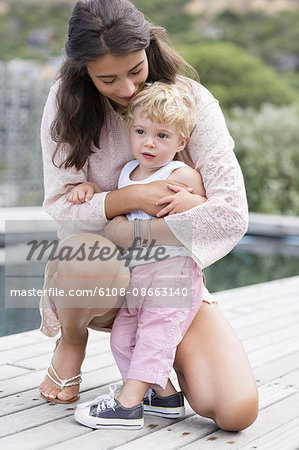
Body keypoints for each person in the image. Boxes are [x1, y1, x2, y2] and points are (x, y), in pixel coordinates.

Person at [39, 0, 258, 431]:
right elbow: (60, 204)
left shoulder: (190, 101)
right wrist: (132, 197)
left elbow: (231, 213)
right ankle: (72, 339)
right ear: (84, 70)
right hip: (95, 277)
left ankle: (160, 391)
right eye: (108, 79)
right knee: (88, 253)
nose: (127, 89)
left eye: (135, 70)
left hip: (166, 279)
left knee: (235, 410)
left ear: (148, 48)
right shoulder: (66, 104)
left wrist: (126, 231)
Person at [67, 81, 206, 429]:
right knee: (123, 337)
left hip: (171, 272)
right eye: (142, 131)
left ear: (181, 142)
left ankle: (128, 405)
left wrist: (195, 202)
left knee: (156, 334)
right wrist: (93, 189)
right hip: (136, 275)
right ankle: (165, 397)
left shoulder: (181, 174)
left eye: (162, 136)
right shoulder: (128, 173)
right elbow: (120, 202)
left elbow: (209, 216)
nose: (149, 142)